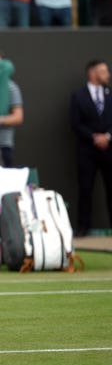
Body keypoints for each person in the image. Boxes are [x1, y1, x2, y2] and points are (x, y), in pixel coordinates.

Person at [70, 60, 112, 237]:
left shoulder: (110, 94)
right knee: (85, 189)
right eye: (104, 71)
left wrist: (108, 136)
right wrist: (93, 137)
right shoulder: (78, 96)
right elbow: (76, 123)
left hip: (109, 149)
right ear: (93, 73)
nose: (108, 74)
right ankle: (83, 227)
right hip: (87, 150)